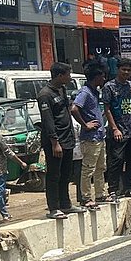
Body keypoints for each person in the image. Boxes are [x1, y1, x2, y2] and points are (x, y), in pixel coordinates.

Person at [37, 62, 78, 218]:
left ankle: (65, 204)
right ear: (60, 75)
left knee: (66, 173)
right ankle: (54, 207)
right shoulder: (45, 95)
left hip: (67, 138)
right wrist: (55, 142)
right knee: (54, 175)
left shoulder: (62, 89)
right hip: (55, 141)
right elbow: (48, 121)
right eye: (68, 74)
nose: (70, 77)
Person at [102, 58, 131, 198]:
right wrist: (114, 128)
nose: (126, 72)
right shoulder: (109, 86)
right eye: (123, 69)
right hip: (118, 130)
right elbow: (107, 109)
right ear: (118, 69)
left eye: (129, 70)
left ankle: (129, 188)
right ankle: (113, 190)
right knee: (116, 160)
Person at [71, 61, 107, 208]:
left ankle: (100, 194)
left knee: (100, 167)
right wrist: (85, 124)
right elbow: (74, 109)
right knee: (88, 169)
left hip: (99, 136)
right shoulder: (85, 92)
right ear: (96, 77)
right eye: (102, 76)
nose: (104, 79)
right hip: (90, 138)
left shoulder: (94, 92)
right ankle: (85, 198)